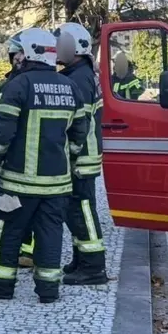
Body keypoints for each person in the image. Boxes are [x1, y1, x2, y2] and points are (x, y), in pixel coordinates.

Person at [0, 28, 87, 303]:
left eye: (18, 52)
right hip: (57, 183)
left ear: (29, 52)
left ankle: (0, 285)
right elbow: (79, 134)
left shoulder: (18, 86)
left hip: (17, 183)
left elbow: (2, 135)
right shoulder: (71, 87)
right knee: (50, 232)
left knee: (6, 229)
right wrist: (67, 162)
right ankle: (48, 289)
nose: (15, 58)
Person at [55, 22, 109, 286]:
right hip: (85, 156)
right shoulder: (83, 74)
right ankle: (81, 257)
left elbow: (78, 124)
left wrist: (72, 154)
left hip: (81, 158)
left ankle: (93, 266)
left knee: (81, 210)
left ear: (75, 46)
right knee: (75, 210)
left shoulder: (77, 79)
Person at [1, 33, 36, 269]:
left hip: (22, 160)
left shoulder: (23, 84)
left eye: (19, 54)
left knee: (20, 209)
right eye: (14, 55)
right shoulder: (12, 81)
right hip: (15, 157)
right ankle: (18, 250)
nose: (16, 58)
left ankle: (25, 252)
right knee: (13, 208)